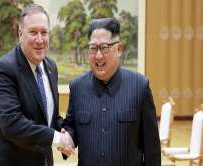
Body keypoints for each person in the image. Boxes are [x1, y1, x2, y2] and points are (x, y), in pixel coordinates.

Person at [0, 4, 72, 166]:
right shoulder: (5, 68)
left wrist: (69, 133)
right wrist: (58, 138)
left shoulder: (51, 67)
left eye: (44, 32)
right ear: (20, 34)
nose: (39, 39)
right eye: (33, 32)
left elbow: (50, 117)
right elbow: (12, 123)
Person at [62, 18, 161, 165]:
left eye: (104, 47)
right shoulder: (77, 87)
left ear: (119, 49)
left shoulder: (140, 87)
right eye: (93, 48)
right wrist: (67, 138)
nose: (98, 55)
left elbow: (152, 149)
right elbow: (71, 127)